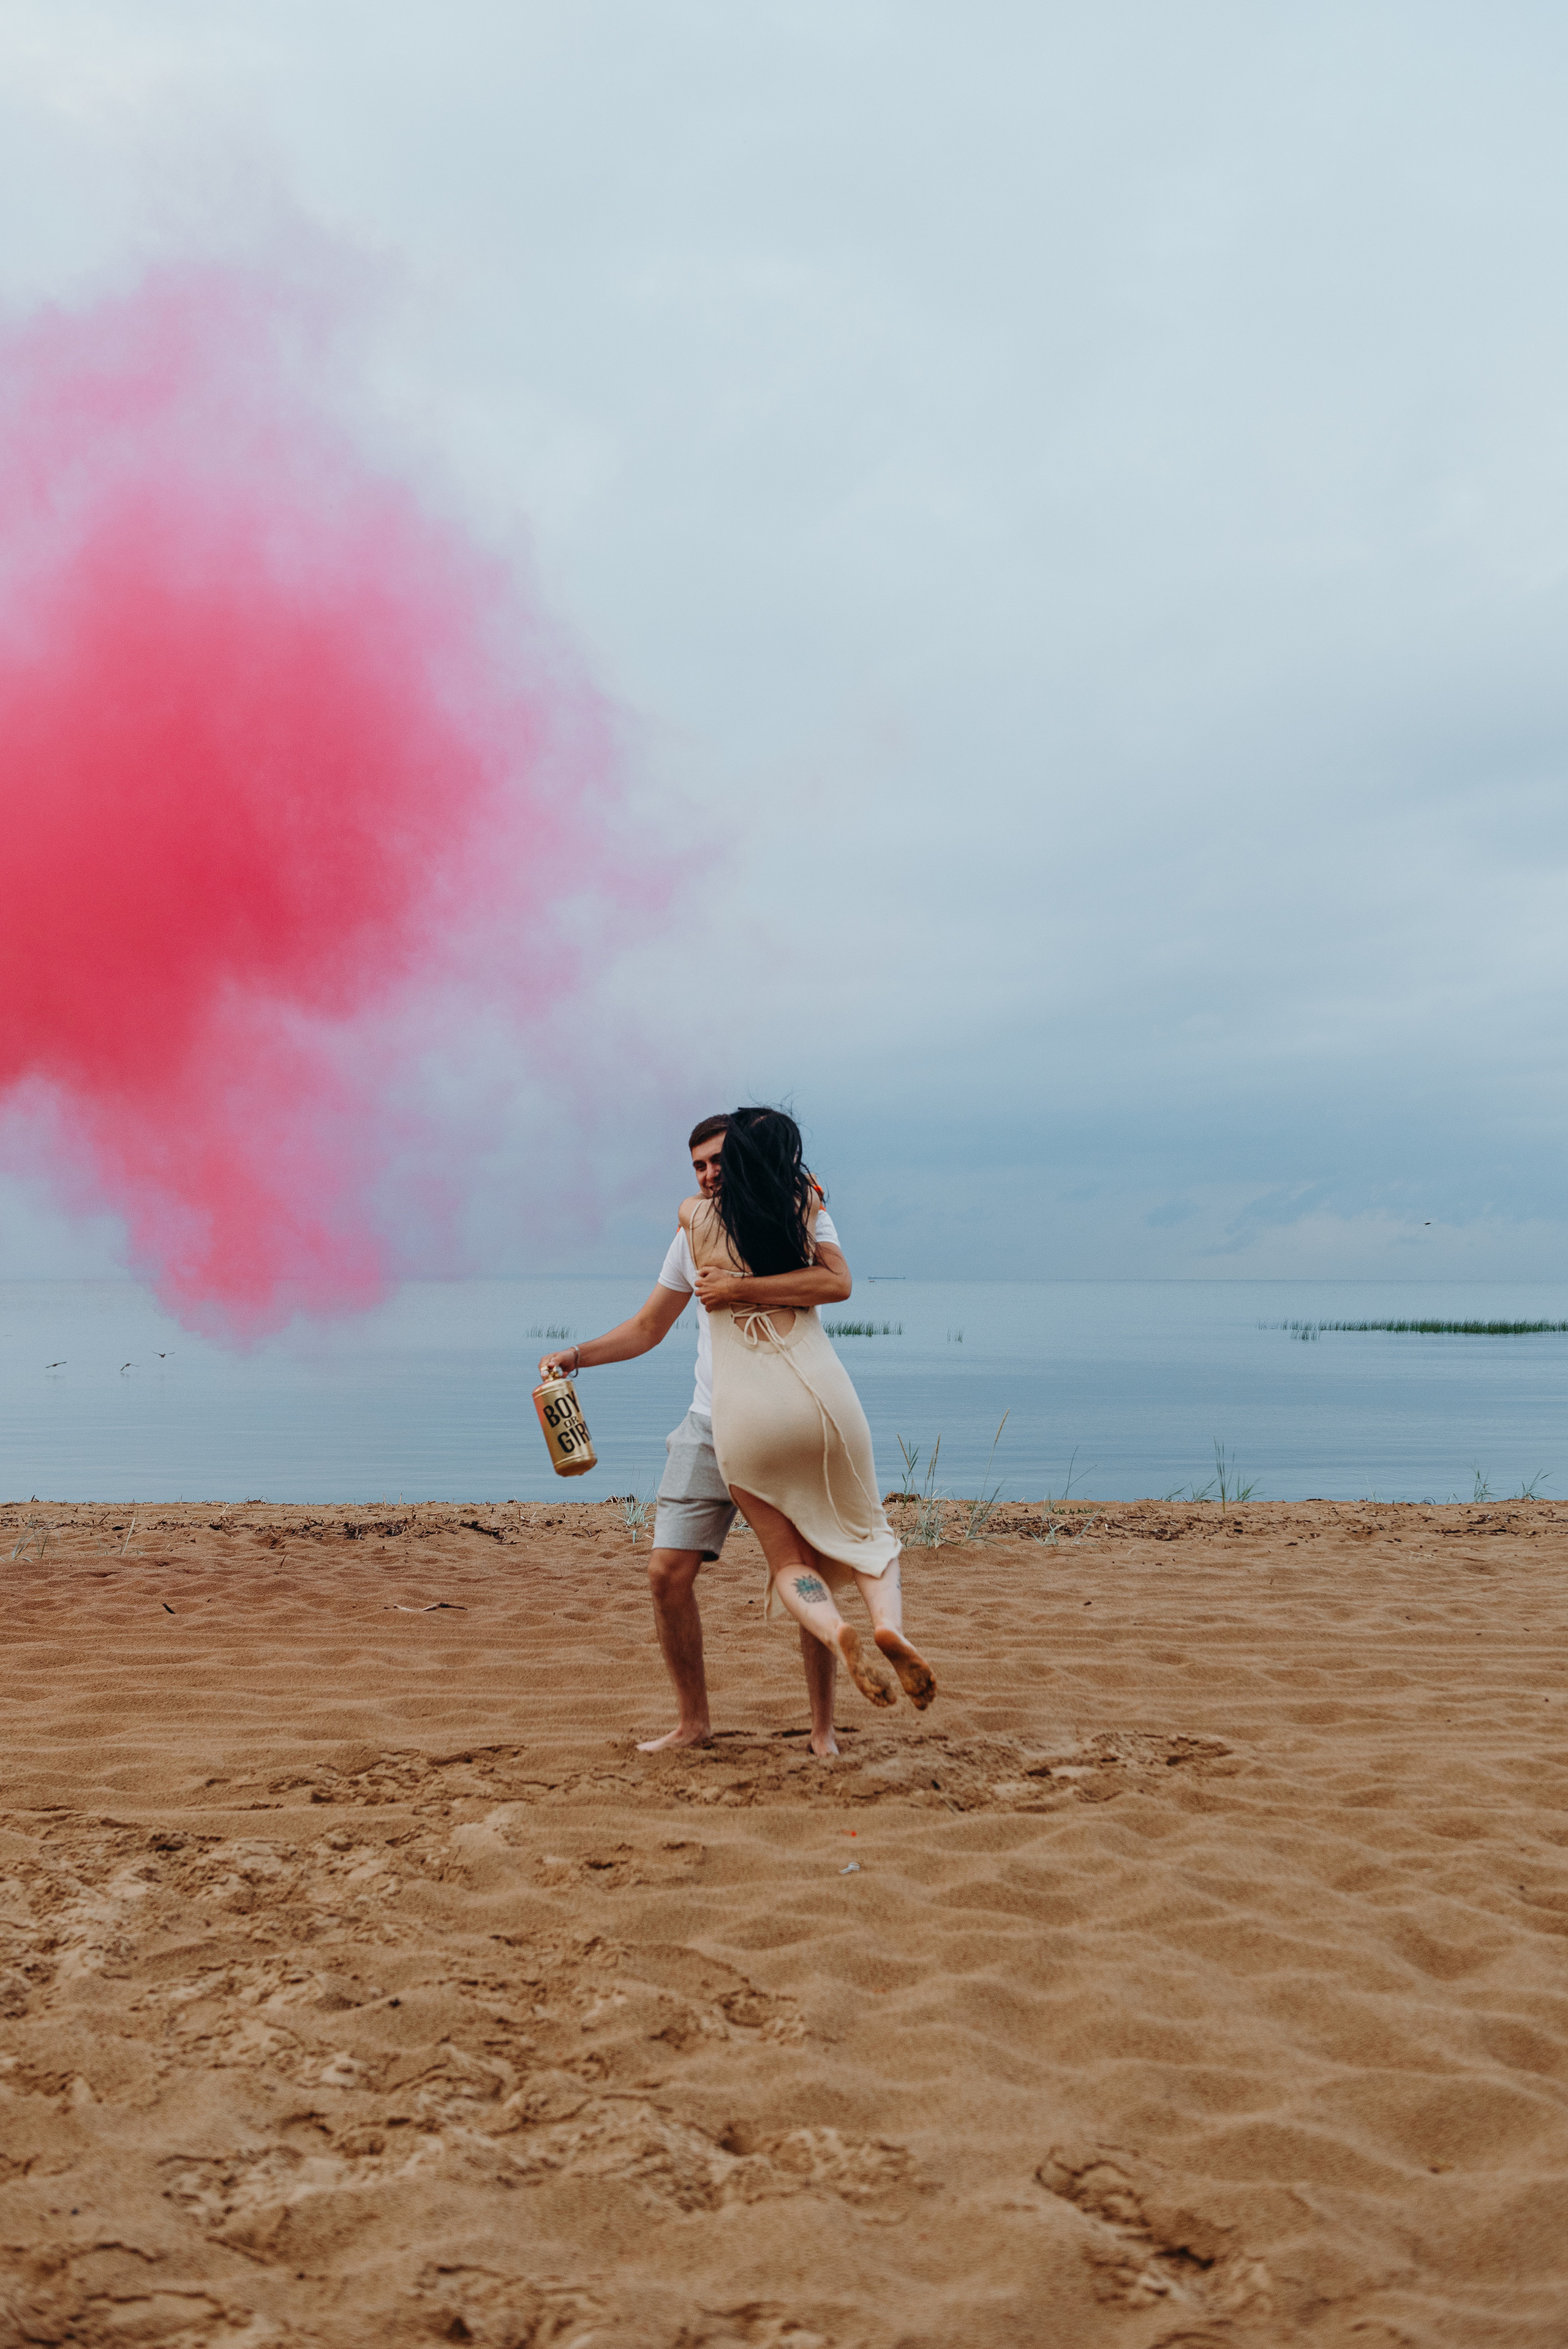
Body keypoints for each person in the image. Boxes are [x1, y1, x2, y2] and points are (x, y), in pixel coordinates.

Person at [537, 1110, 935, 1755]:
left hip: (758, 1417)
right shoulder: (710, 1224)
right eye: (697, 1166)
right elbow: (648, 1327)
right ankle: (694, 1723)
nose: (708, 1174)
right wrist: (576, 1355)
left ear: (746, 1157)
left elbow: (834, 1282)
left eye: (719, 1160)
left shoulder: (795, 1210)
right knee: (667, 1571)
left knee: (801, 1564)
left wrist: (742, 1286)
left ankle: (823, 1731)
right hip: (709, 1420)